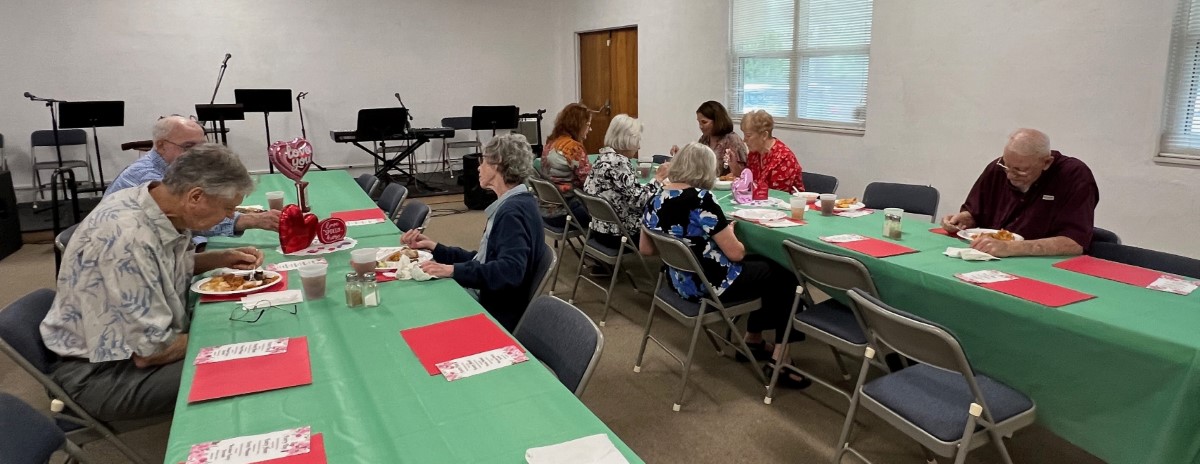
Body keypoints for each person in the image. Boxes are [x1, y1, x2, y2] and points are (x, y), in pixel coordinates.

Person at [40, 143, 265, 421]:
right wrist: (230, 337)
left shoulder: (151, 201)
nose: (230, 216)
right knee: (246, 362)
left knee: (244, 340)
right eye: (228, 208)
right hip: (100, 374)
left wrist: (220, 258)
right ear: (196, 197)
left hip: (120, 353)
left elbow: (156, 267)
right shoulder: (128, 239)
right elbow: (153, 351)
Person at [639, 143, 809, 388]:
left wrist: (680, 244)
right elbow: (737, 254)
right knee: (786, 275)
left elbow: (646, 249)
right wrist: (728, 233)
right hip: (711, 285)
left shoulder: (655, 197)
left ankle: (753, 338)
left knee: (767, 267)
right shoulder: (701, 200)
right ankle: (781, 361)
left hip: (678, 282)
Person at [402, 134, 547, 332]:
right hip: (492, 298)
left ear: (497, 163)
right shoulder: (519, 202)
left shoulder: (512, 213)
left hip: (494, 312)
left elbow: (510, 271)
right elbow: (484, 261)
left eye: (483, 161)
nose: (479, 167)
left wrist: (452, 271)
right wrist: (436, 249)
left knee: (416, 306)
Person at [106, 116, 279, 236]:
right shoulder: (146, 178)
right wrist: (250, 220)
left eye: (202, 146)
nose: (199, 153)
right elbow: (192, 217)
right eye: (189, 146)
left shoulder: (178, 169)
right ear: (161, 145)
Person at [942, 128, 1099, 257]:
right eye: (1007, 166)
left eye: (1020, 170)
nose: (1010, 175)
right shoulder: (998, 168)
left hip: (1045, 264)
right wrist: (963, 220)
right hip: (988, 256)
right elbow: (975, 213)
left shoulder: (1074, 176)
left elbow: (1074, 243)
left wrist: (1010, 248)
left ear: (1046, 162)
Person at [582, 114, 665, 250]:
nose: (639, 146)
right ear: (627, 140)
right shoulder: (619, 163)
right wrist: (658, 179)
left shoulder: (603, 157)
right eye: (637, 140)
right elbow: (640, 201)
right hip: (619, 235)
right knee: (671, 218)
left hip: (599, 229)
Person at [540, 103, 593, 229]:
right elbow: (590, 183)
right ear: (578, 125)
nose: (590, 129)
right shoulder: (574, 148)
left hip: (545, 212)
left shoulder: (551, 143)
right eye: (588, 125)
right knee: (610, 217)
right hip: (565, 214)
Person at [671, 101, 748, 178]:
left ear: (717, 121)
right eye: (699, 122)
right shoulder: (704, 139)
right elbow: (695, 164)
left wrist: (733, 165)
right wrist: (680, 155)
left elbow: (743, 174)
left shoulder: (733, 140)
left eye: (704, 122)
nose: (700, 126)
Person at [737, 110, 804, 198]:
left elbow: (777, 195)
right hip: (759, 201)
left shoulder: (783, 158)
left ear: (764, 135)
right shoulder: (754, 154)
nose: (744, 140)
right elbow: (748, 182)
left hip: (787, 203)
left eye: (748, 135)